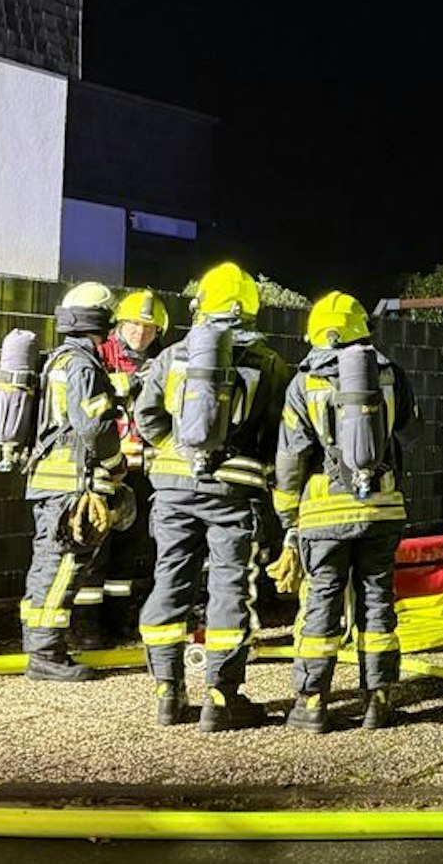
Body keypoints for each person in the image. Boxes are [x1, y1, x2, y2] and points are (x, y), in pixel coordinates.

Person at [134, 263, 293, 730]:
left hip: (172, 489)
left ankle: (167, 692)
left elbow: (146, 417)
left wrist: (178, 451)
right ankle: (221, 698)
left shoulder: (174, 355)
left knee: (170, 580)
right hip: (233, 493)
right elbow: (280, 435)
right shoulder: (268, 363)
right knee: (229, 589)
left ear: (200, 304)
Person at [269, 291, 417, 731]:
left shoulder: (304, 383)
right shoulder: (390, 373)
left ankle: (312, 702)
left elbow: (290, 457)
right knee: (378, 602)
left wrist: (288, 518)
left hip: (323, 516)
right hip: (382, 509)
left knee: (321, 602)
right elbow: (412, 432)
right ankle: (378, 701)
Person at [17, 282, 125, 682]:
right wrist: (115, 464)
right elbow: (94, 427)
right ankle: (44, 654)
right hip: (70, 484)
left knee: (48, 563)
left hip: (52, 481)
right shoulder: (82, 365)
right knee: (61, 565)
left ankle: (41, 645)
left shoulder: (59, 359)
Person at [68, 289, 170, 649]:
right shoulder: (100, 355)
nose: (141, 333)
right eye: (134, 325)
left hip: (142, 471)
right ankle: (85, 626)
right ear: (119, 325)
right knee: (96, 548)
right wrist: (134, 382)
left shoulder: (163, 361)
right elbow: (93, 400)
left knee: (130, 549)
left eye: (149, 328)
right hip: (104, 470)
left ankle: (117, 618)